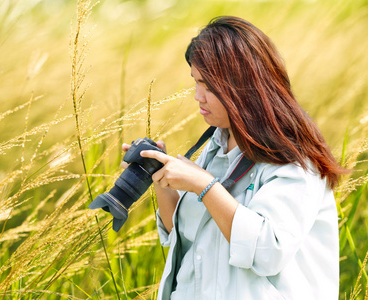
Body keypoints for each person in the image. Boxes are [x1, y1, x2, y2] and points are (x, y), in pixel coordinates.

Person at [122, 16, 347, 299]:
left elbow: (269, 251)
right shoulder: (217, 147)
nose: (197, 96)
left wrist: (204, 185)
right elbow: (183, 235)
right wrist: (158, 175)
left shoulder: (295, 160)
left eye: (208, 86)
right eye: (195, 82)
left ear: (245, 86)